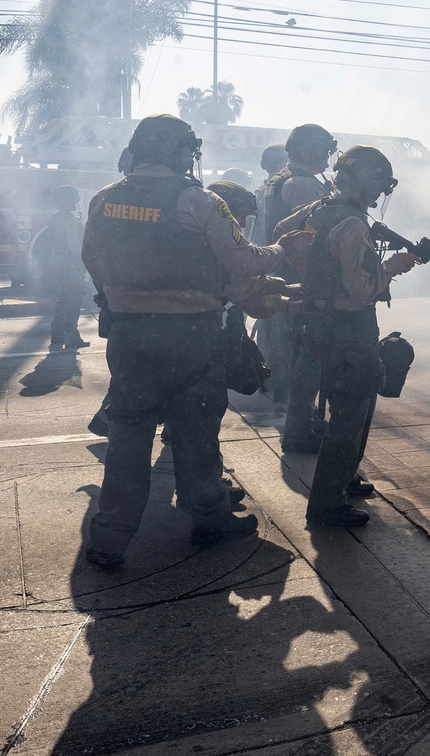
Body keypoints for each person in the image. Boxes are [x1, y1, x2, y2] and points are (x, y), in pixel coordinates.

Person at [80, 115, 307, 566]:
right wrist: (283, 249)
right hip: (189, 336)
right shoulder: (198, 200)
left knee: (129, 432)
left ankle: (109, 538)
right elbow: (241, 261)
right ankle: (209, 517)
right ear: (184, 153)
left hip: (128, 335)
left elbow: (92, 258)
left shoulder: (105, 199)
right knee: (196, 431)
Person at [278, 146, 419, 528]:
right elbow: (360, 289)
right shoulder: (354, 224)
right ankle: (327, 504)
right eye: (377, 187)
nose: (377, 197)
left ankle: (342, 481)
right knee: (350, 418)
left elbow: (281, 234)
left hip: (317, 323)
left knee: (340, 410)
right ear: (366, 183)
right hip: (349, 330)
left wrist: (310, 269)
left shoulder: (317, 210)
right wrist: (394, 266)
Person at [256, 126, 335, 408]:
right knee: (299, 355)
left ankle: (285, 405)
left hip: (276, 273)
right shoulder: (302, 184)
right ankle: (297, 418)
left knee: (279, 351)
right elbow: (314, 235)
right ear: (307, 151)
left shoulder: (278, 179)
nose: (327, 159)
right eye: (324, 151)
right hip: (295, 278)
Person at [32, 185, 89, 351]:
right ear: (70, 200)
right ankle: (72, 336)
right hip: (69, 262)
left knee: (63, 297)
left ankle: (57, 335)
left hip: (57, 261)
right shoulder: (70, 220)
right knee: (74, 299)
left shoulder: (54, 217)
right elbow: (74, 247)